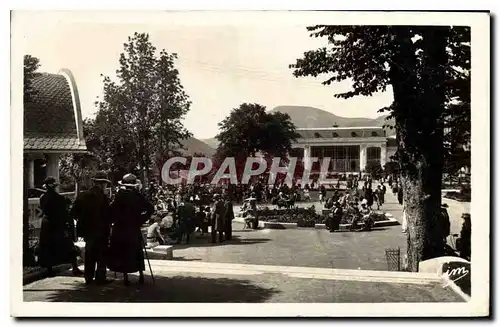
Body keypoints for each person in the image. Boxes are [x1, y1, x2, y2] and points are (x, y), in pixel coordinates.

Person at [108, 174, 154, 286]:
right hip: (133, 227)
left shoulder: (119, 196)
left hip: (120, 228)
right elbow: (150, 209)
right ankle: (141, 275)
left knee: (123, 252)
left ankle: (125, 277)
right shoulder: (138, 196)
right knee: (137, 251)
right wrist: (140, 220)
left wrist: (113, 220)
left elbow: (111, 211)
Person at [70, 171, 112, 285]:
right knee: (101, 254)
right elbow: (108, 215)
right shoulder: (104, 197)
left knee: (90, 253)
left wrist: (82, 220)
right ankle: (100, 277)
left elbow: (73, 212)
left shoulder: (83, 195)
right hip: (102, 230)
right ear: (102, 184)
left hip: (88, 230)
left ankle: (88, 277)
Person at [38, 177, 83, 277]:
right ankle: (75, 268)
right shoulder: (60, 198)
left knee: (47, 247)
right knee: (68, 246)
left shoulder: (42, 197)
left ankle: (49, 270)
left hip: (47, 224)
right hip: (58, 224)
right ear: (54, 187)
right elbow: (64, 213)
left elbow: (42, 210)